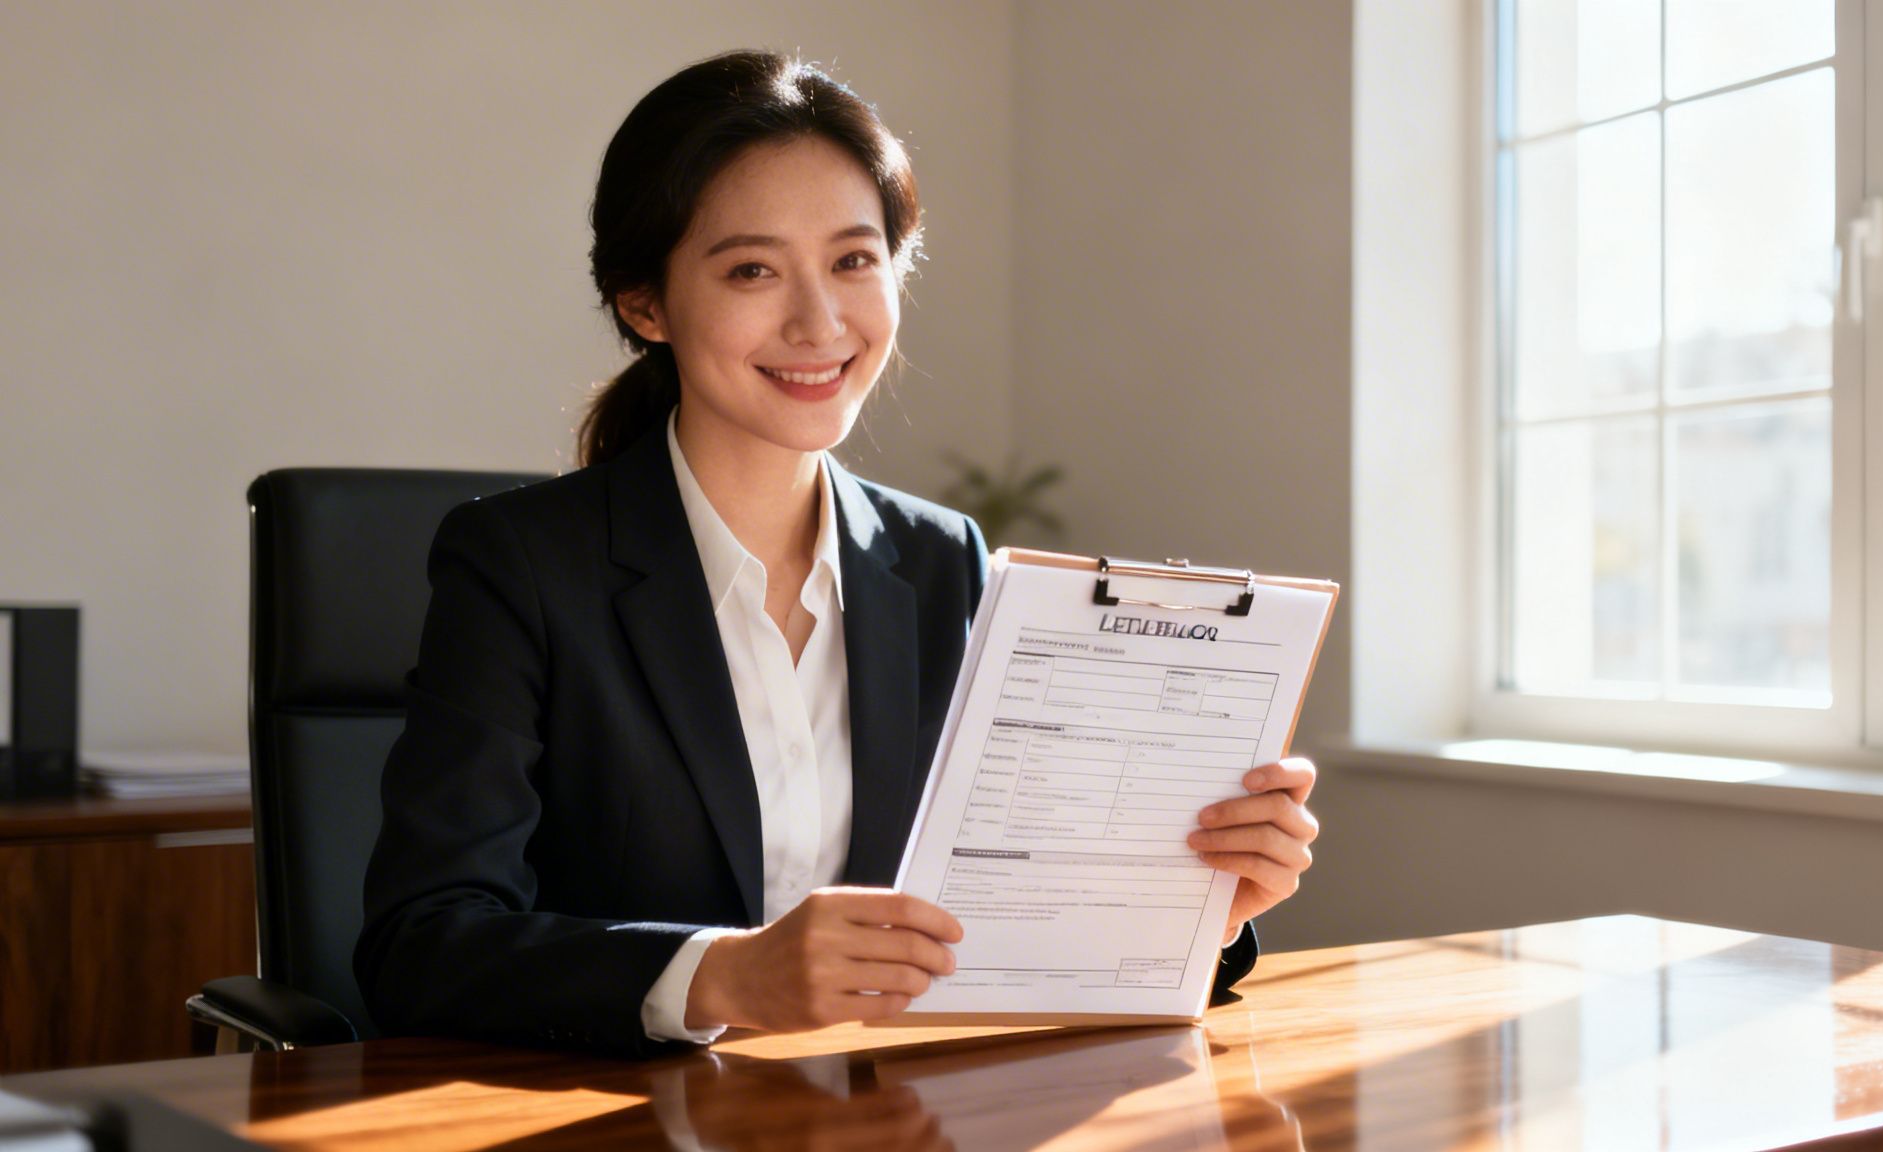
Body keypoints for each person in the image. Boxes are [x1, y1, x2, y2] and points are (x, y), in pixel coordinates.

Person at [354, 49, 1319, 1057]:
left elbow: (1000, 921)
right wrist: (725, 975)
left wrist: (1199, 903)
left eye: (854, 261)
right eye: (752, 270)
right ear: (645, 305)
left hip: (880, 1109)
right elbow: (421, 948)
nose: (818, 323)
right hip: (620, 1115)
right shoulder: (519, 565)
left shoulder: (939, 561)